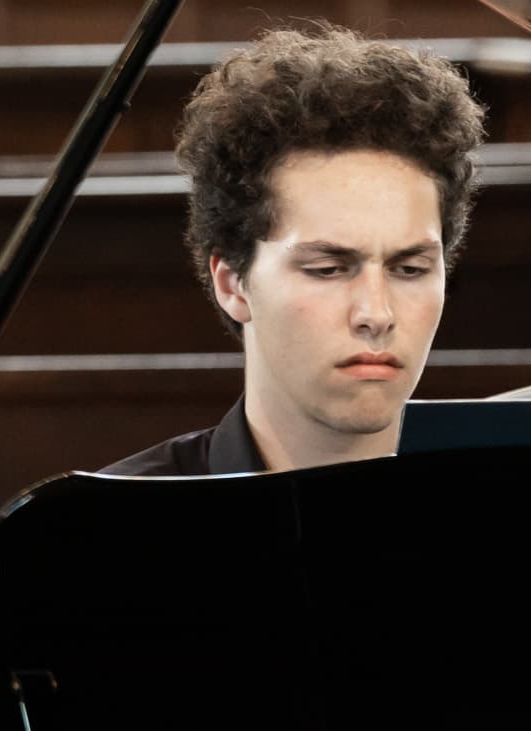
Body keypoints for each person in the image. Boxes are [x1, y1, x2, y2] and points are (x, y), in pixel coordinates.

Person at [102, 24, 486, 476]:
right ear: (233, 283)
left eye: (409, 269)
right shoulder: (108, 528)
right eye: (328, 269)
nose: (377, 315)